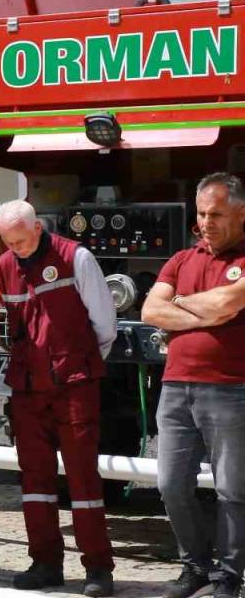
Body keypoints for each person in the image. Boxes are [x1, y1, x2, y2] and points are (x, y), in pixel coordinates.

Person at [0, 199, 116, 597]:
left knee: (82, 478)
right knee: (35, 481)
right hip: (28, 388)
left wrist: (78, 363)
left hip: (73, 383)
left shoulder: (75, 258)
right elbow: (14, 327)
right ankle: (45, 562)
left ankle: (98, 568)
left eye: (22, 241)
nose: (17, 250)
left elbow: (104, 324)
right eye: (9, 243)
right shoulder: (5, 266)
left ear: (39, 229)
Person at [142, 172, 245, 598]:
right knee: (170, 484)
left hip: (230, 389)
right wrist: (196, 309)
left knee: (233, 490)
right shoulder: (182, 259)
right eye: (202, 213)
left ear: (241, 214)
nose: (206, 222)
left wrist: (178, 304)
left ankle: (228, 577)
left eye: (217, 214)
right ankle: (196, 566)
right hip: (175, 388)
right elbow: (151, 310)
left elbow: (228, 303)